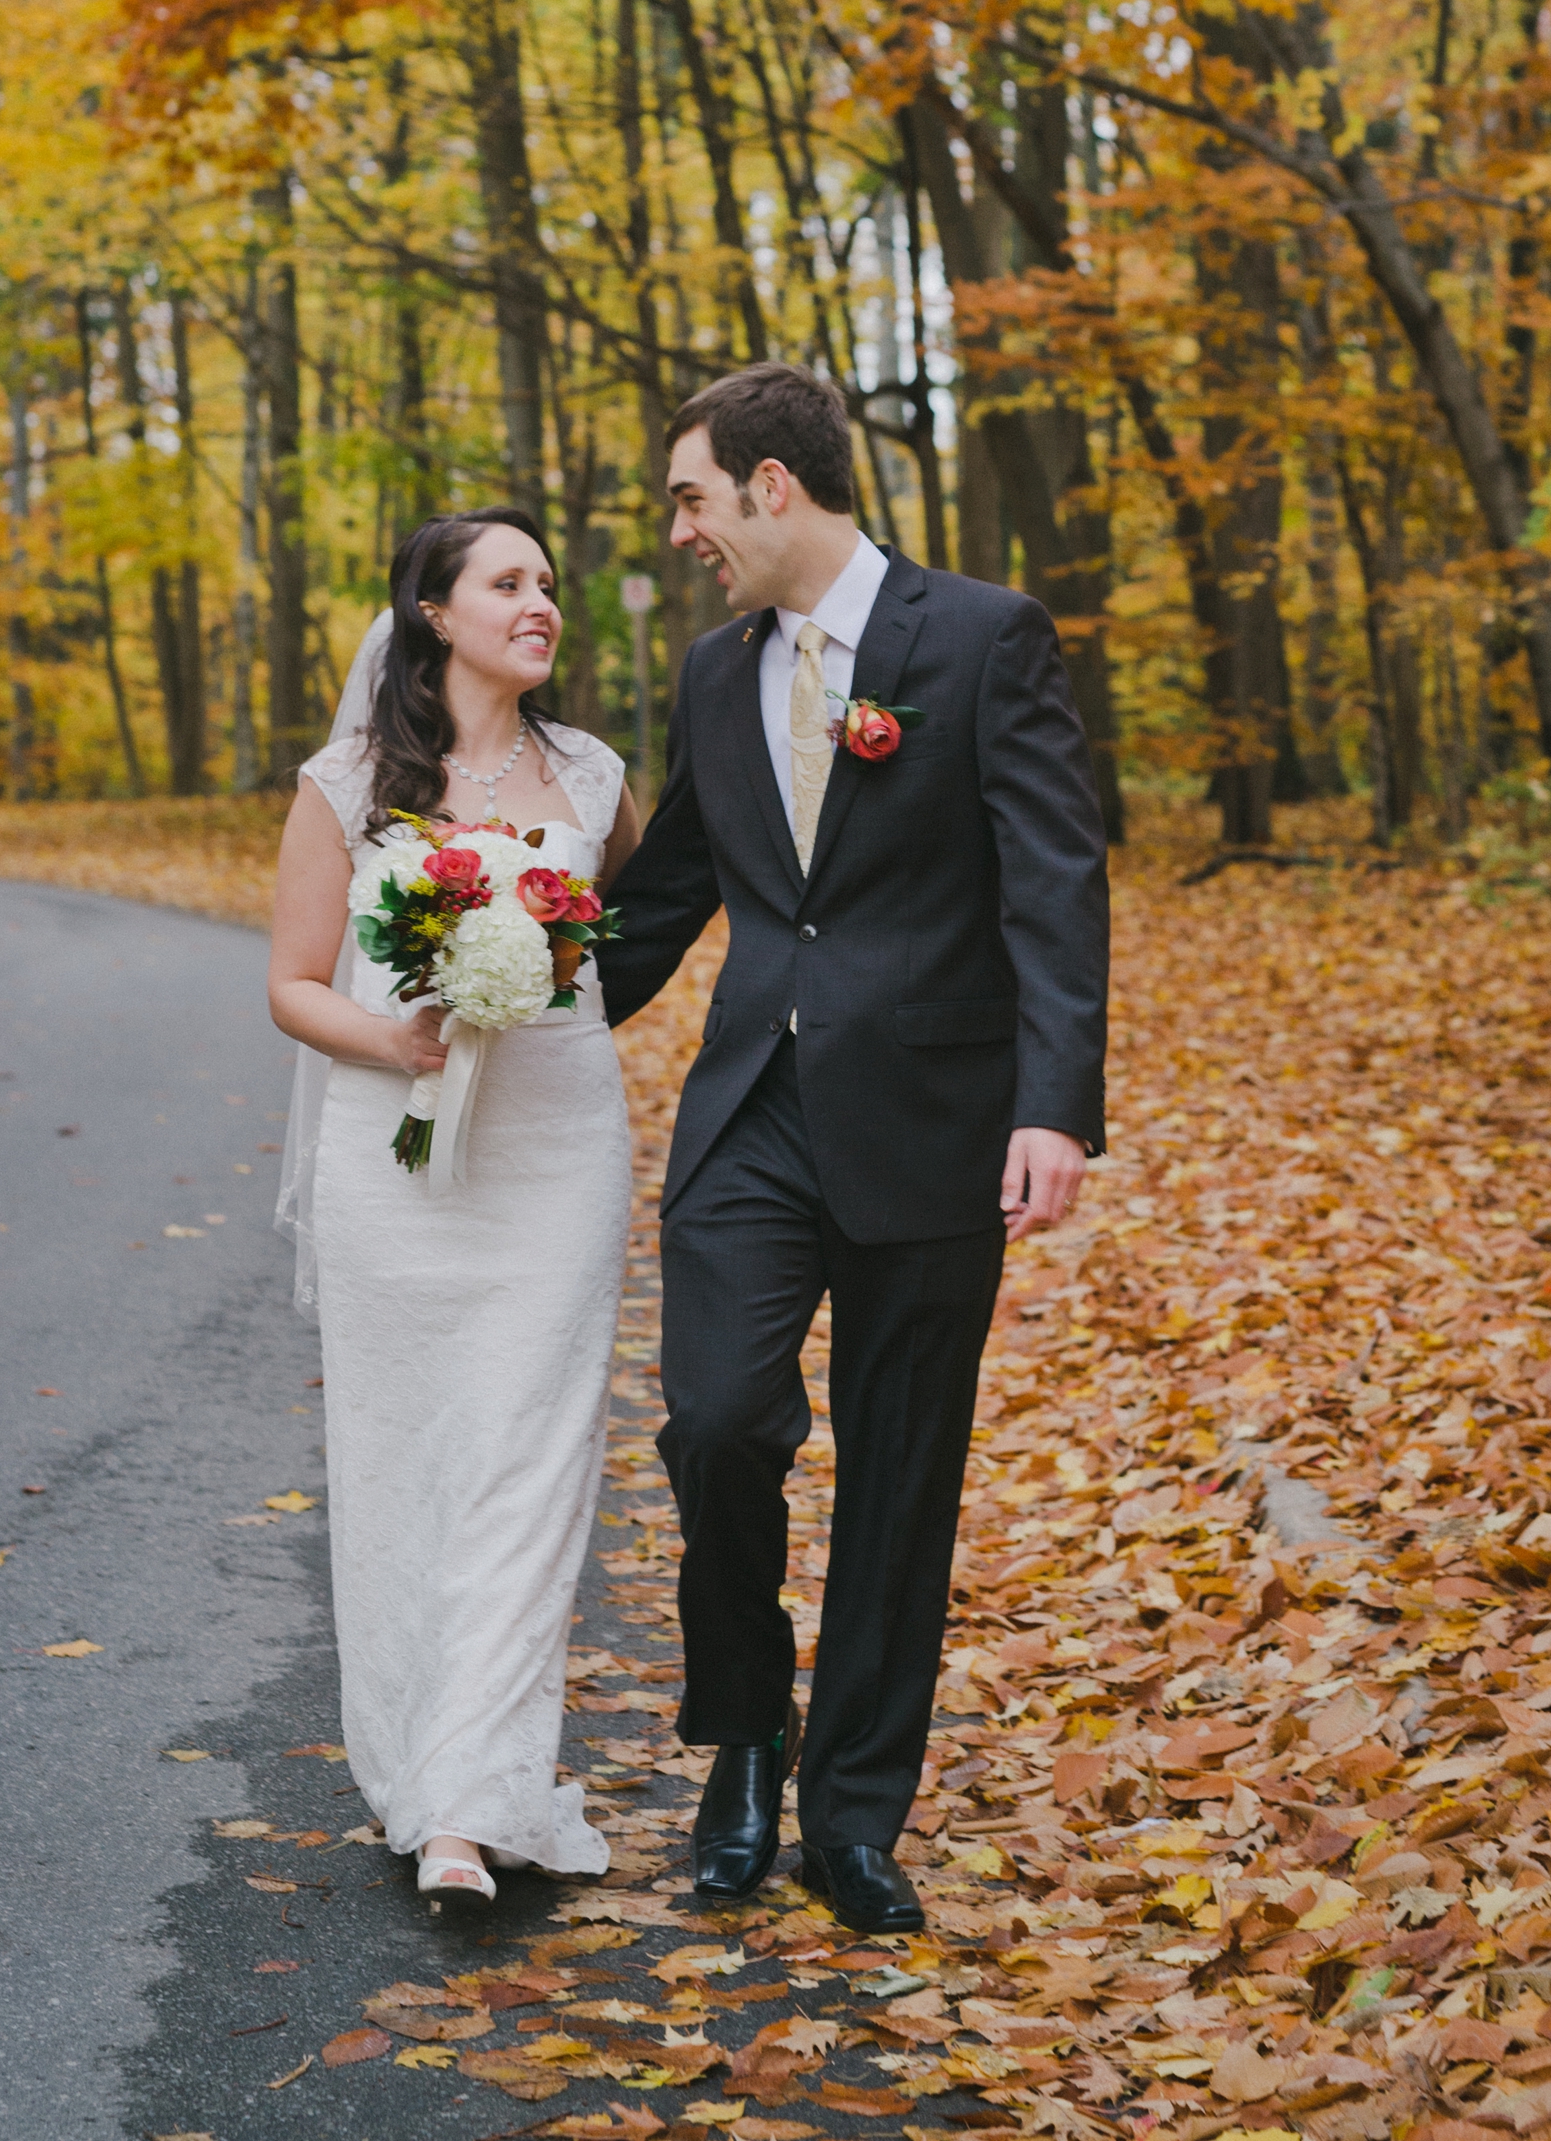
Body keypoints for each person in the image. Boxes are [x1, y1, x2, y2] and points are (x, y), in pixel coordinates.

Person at [599, 365, 1109, 1934]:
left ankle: (855, 1809)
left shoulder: (979, 636)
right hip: (752, 1112)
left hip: (935, 1123)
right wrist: (497, 992)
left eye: (692, 495)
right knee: (718, 1421)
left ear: (771, 486)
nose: (682, 528)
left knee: (903, 1478)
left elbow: (1054, 875)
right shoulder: (710, 675)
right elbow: (672, 891)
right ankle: (743, 1728)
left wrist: (1054, 1102)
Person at [267, 507, 640, 1903]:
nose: (541, 602)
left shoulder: (595, 776)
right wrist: (405, 1035)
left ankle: (473, 1805)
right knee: (406, 1458)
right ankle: (420, 1769)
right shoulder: (349, 780)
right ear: (435, 609)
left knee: (528, 1464)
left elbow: (620, 943)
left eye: (548, 583)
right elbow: (297, 980)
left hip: (555, 1157)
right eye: (508, 582)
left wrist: (528, 985)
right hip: (396, 1160)